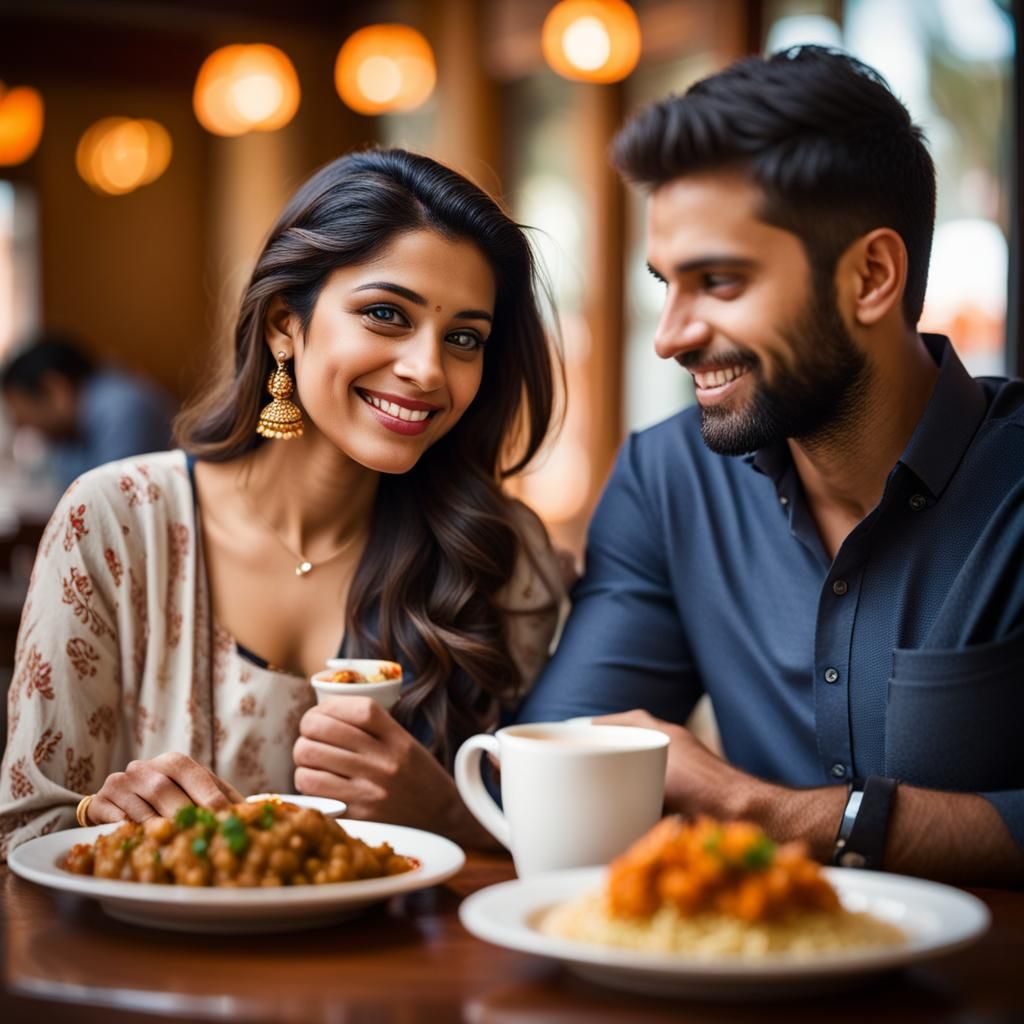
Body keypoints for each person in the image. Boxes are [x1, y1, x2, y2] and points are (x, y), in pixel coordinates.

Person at [518, 47, 1024, 886]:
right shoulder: (666, 481)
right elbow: (557, 761)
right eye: (665, 284)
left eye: (718, 282)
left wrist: (765, 812)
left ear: (871, 276)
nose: (670, 335)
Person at [0, 148, 565, 859]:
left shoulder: (503, 554)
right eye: (387, 314)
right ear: (281, 326)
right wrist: (98, 814)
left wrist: (448, 812)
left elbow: (567, 854)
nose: (427, 369)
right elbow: (23, 833)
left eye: (463, 338)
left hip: (408, 970)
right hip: (156, 968)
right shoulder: (117, 520)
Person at [1, 332, 175, 489]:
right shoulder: (71, 429)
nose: (19, 424)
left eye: (21, 411)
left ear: (55, 389)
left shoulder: (120, 409)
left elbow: (111, 498)